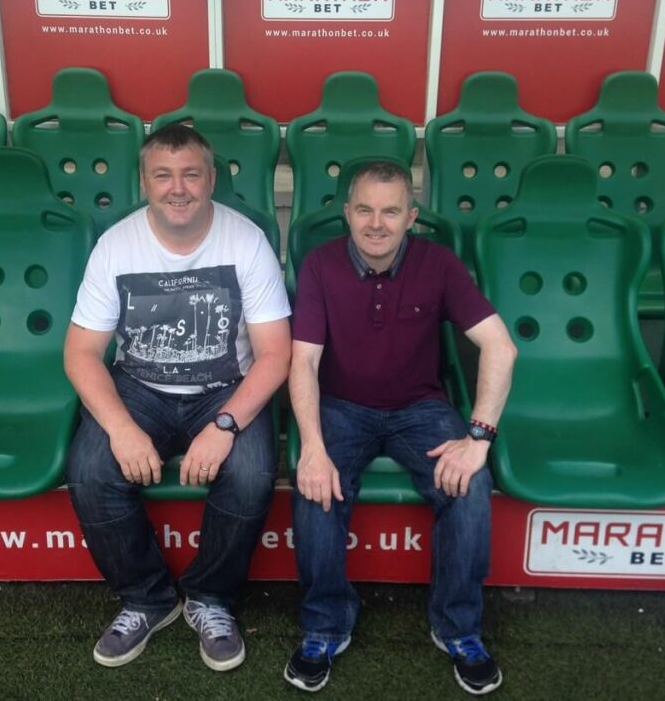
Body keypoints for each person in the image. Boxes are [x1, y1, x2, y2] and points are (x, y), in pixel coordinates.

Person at [284, 160, 517, 695]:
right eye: (364, 209)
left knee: (469, 484)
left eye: (391, 211)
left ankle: (458, 627)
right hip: (341, 405)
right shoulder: (319, 265)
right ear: (347, 213)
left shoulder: (439, 263)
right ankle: (325, 624)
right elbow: (303, 363)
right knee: (315, 488)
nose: (376, 223)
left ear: (411, 216)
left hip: (420, 408)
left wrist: (478, 437)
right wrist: (313, 448)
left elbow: (501, 347)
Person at [64, 124, 291, 672]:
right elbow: (80, 353)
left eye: (191, 173)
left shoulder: (246, 240)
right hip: (139, 387)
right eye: (163, 175)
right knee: (92, 470)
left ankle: (210, 598)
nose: (178, 187)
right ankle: (148, 599)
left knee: (252, 470)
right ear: (144, 182)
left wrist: (226, 425)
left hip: (225, 388)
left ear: (212, 178)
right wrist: (120, 427)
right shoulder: (116, 244)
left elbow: (275, 354)